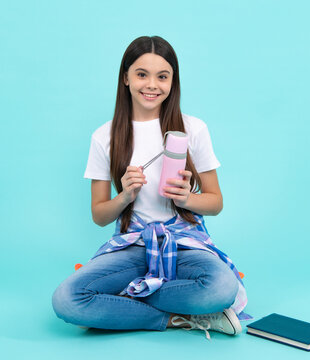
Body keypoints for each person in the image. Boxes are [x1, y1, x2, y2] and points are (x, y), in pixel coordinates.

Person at [52, 35, 250, 340]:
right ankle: (178, 318)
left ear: (173, 81)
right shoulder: (104, 136)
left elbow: (216, 202)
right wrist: (125, 196)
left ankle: (121, 302)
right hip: (132, 246)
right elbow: (100, 216)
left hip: (183, 244)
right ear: (126, 78)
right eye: (142, 74)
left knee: (223, 287)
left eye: (163, 76)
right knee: (67, 299)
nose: (152, 85)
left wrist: (187, 199)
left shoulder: (192, 129)